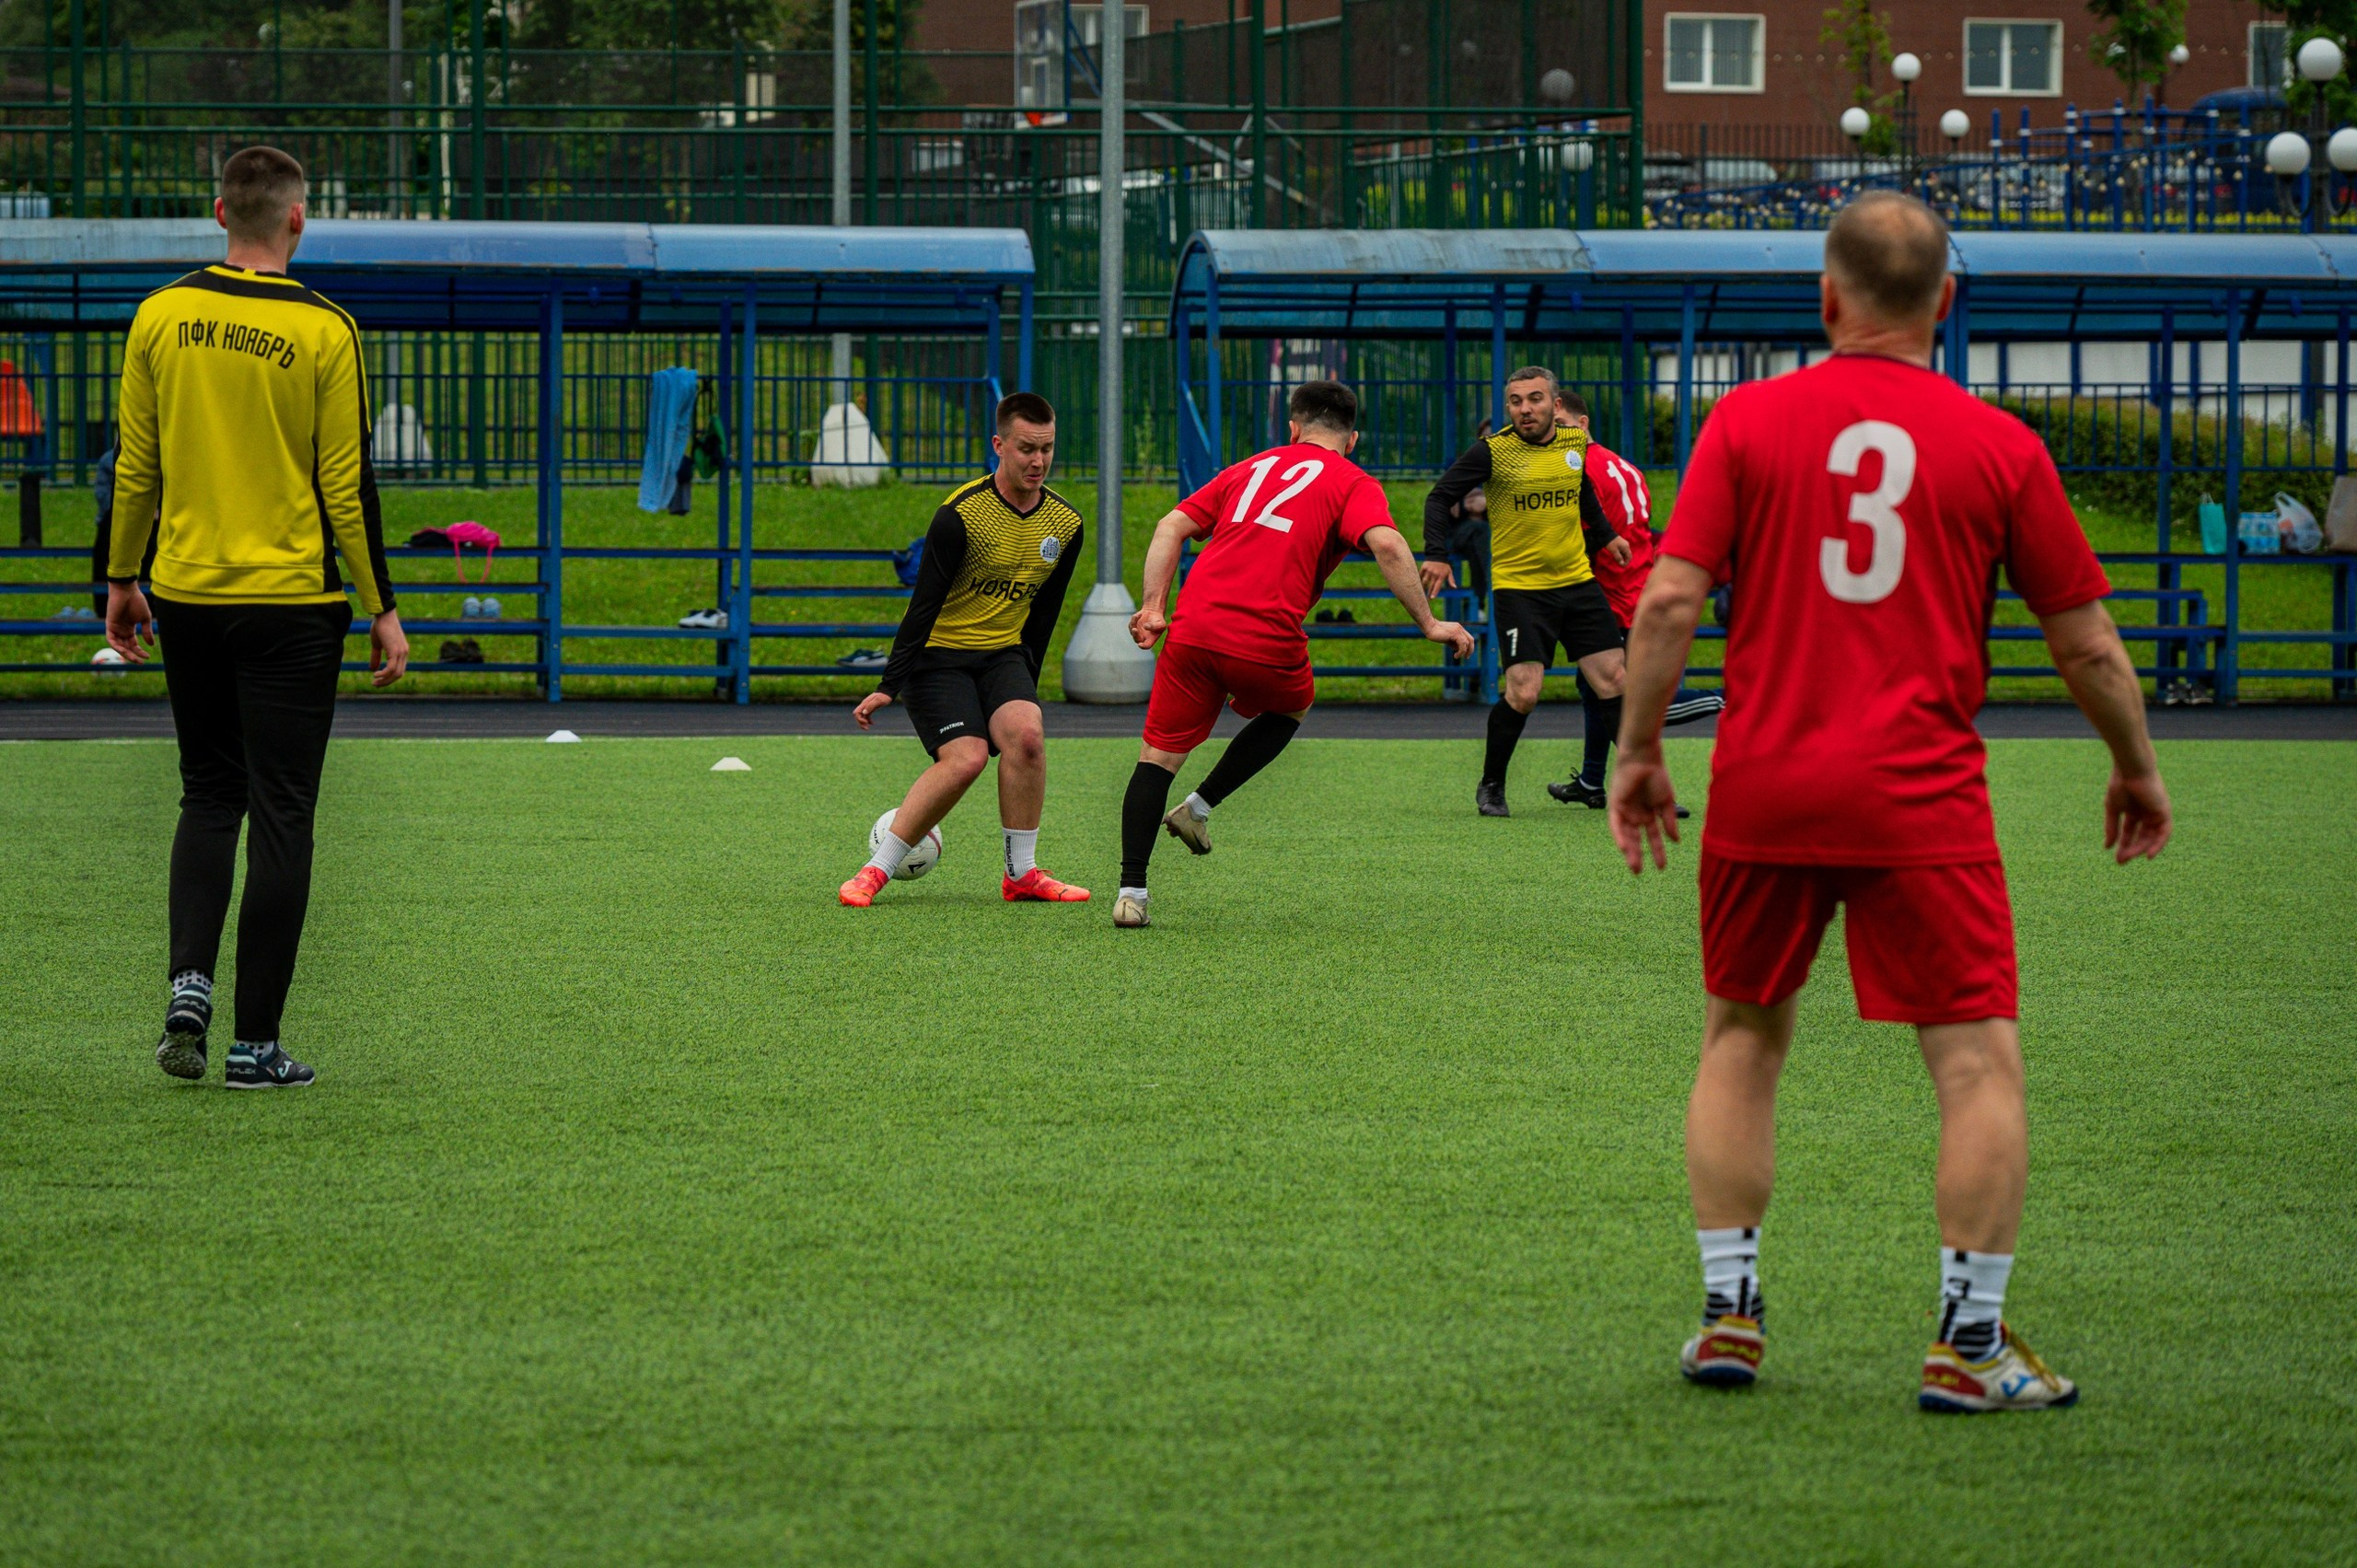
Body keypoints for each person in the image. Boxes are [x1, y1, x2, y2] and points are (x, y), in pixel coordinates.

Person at [1608, 192, 2172, 1412]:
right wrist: (2135, 763)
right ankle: (1969, 1342)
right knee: (1975, 1062)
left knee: (1743, 1034)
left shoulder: (1750, 422)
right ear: (1947, 306)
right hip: (1921, 795)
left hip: (1766, 778)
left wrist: (1639, 746)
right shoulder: (2001, 444)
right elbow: (2087, 647)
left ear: (1827, 298)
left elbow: (1665, 603)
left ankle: (1729, 1317)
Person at [104, 145, 409, 1090]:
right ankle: (254, 1045)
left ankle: (187, 985)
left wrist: (121, 577)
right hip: (291, 606)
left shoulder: (160, 316)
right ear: (296, 221)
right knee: (283, 812)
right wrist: (382, 605)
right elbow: (345, 487)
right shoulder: (327, 329)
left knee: (207, 793)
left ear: (217, 213)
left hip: (187, 594)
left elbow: (135, 466)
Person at [1115, 379, 1474, 929]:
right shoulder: (1353, 481)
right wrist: (1429, 622)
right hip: (1264, 635)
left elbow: (1171, 526)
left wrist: (1154, 606)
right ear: (1352, 439)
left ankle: (1131, 894)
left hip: (1193, 627)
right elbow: (1388, 543)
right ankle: (1199, 807)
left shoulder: (1249, 468)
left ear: (1292, 428)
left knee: (1156, 760)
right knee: (1294, 705)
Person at [842, 391, 1089, 908]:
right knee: (967, 758)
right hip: (939, 656)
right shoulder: (960, 515)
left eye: (1047, 449)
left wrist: (1026, 685)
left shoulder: (1066, 525)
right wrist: (889, 684)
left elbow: (1044, 614)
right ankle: (874, 870)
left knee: (1027, 737)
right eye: (1026, 448)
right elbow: (923, 605)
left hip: (1002, 655)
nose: (1038, 461)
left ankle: (1021, 875)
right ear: (999, 445)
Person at [1420, 366, 1631, 818]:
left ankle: (1643, 784)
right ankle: (1492, 785)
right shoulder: (1493, 451)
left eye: (1534, 399)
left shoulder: (1575, 444)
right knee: (1524, 692)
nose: (1524, 409)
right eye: (1515, 401)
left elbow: (1582, 489)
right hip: (1521, 590)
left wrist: (1608, 535)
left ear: (1556, 405)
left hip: (1577, 582)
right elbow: (1439, 498)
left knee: (1615, 681)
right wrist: (1436, 552)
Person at [1543, 389, 1723, 813]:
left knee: (1632, 695)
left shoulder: (1580, 470)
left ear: (1582, 424)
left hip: (1613, 596)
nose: (1556, 434)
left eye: (1562, 425)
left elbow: (1585, 539)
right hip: (1638, 585)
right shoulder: (1625, 466)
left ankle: (1734, 698)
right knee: (1592, 685)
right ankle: (1590, 781)